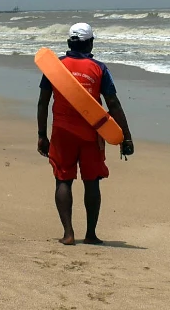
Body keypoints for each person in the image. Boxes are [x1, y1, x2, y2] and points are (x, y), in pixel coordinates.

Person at [37, 22, 135, 245]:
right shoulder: (99, 68)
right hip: (92, 133)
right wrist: (125, 137)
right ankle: (91, 234)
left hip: (62, 132)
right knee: (92, 182)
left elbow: (43, 102)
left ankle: (68, 234)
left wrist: (42, 134)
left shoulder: (55, 67)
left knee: (63, 179)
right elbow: (113, 103)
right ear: (90, 42)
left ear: (68, 43)